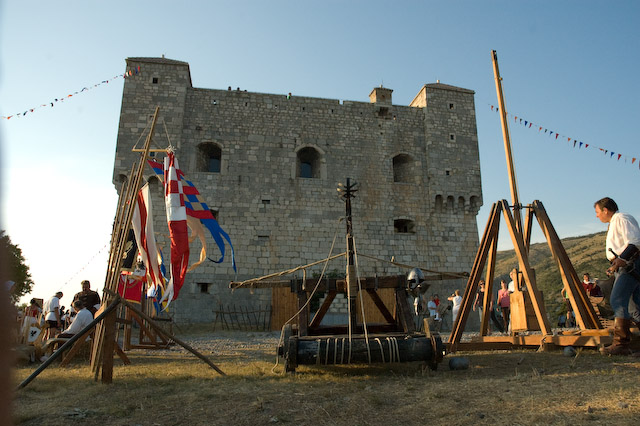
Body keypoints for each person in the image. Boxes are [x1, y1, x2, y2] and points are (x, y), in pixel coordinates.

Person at [594, 197, 640, 355]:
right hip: (625, 265)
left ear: (605, 210)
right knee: (634, 307)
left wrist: (623, 259)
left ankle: (621, 344)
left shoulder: (621, 218)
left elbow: (635, 241)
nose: (597, 215)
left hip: (630, 265)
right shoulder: (615, 222)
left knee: (618, 300)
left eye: (597, 212)